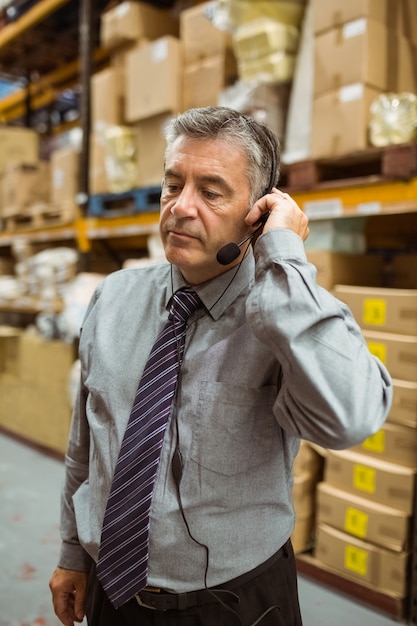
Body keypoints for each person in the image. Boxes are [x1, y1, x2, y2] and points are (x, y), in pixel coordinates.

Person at [49, 106, 392, 626]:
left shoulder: (283, 315)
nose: (180, 207)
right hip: (109, 593)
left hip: (233, 605)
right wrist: (72, 552)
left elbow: (352, 416)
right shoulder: (114, 297)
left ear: (256, 214)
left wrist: (284, 254)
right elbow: (87, 446)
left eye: (211, 192)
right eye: (172, 185)